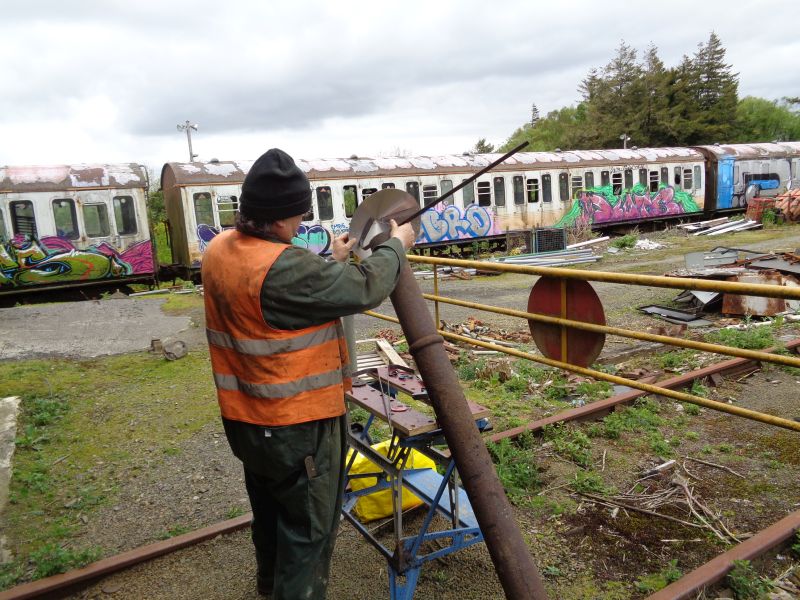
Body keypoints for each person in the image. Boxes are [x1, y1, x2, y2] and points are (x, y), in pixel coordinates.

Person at [201, 148, 415, 599]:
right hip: (295, 426)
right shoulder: (281, 268)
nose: (301, 223)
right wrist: (397, 246)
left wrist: (330, 259)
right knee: (308, 532)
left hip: (246, 419)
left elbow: (276, 299)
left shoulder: (221, 248)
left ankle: (269, 588)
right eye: (298, 216)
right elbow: (366, 287)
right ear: (278, 218)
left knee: (272, 514)